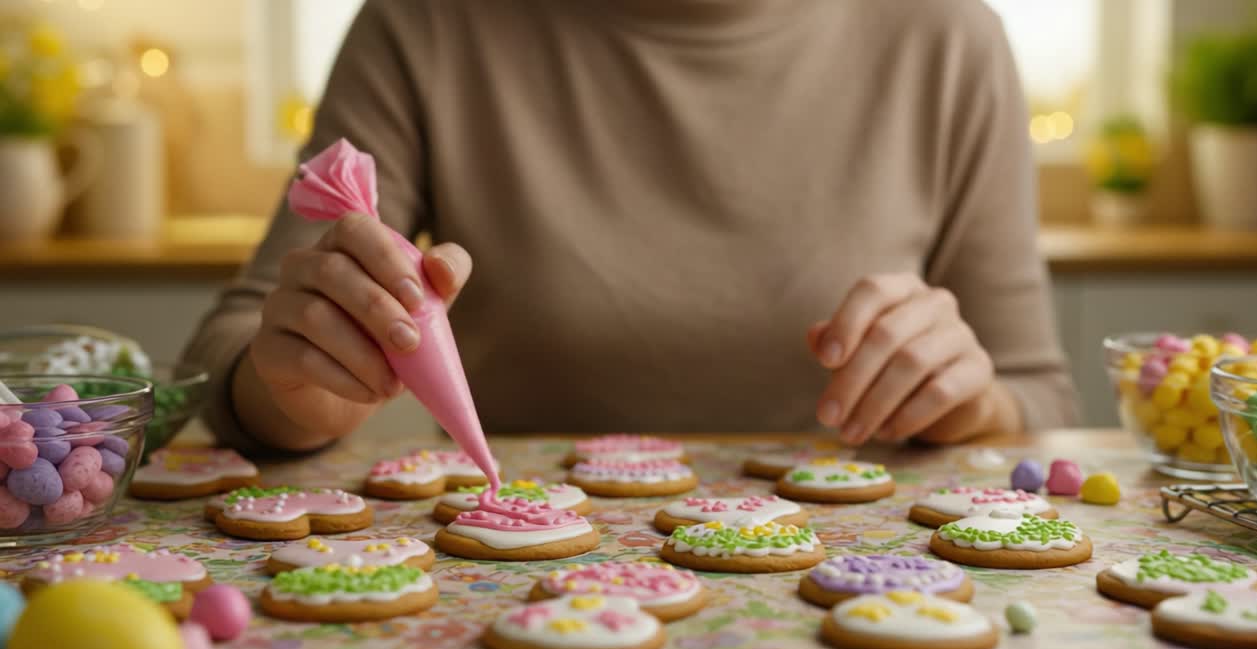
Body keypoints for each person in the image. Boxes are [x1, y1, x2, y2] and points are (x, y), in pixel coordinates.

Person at [183, 0, 1077, 454]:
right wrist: (292, 390)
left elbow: (1040, 399)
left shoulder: (948, 38)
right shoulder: (427, 23)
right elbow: (230, 348)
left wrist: (973, 404)